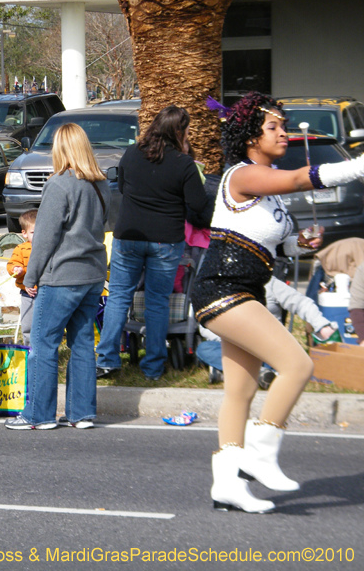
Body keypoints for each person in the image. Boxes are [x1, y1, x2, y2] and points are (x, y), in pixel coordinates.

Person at [193, 91, 364, 513]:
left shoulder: (266, 193)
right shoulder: (243, 175)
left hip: (245, 289)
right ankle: (262, 453)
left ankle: (227, 483)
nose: (283, 133)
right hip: (223, 289)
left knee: (242, 389)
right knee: (299, 364)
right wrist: (359, 166)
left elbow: (274, 244)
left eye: (283, 127)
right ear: (252, 135)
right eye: (274, 127)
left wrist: (299, 244)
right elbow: (297, 179)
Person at [96, 106, 212, 380]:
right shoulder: (183, 164)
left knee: (119, 298)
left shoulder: (132, 153)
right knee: (158, 302)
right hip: (165, 240)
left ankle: (107, 359)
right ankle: (154, 365)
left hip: (129, 236)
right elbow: (199, 205)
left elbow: (122, 187)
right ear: (179, 132)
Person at [5, 123, 109, 430]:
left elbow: (45, 238)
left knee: (44, 343)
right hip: (91, 273)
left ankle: (38, 414)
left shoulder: (59, 184)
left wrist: (30, 276)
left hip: (61, 274)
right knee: (81, 343)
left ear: (59, 149)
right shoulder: (99, 184)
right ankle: (81, 413)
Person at [197, 276, 340, 386]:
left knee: (283, 355)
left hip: (268, 344)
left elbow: (301, 302)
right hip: (233, 344)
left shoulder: (269, 282)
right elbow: (205, 323)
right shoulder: (215, 284)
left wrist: (321, 325)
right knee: (204, 348)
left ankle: (236, 373)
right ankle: (262, 374)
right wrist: (234, 340)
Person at [7, 209, 37, 346]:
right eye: (33, 232)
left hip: (45, 292)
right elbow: (12, 263)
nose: (38, 236)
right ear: (24, 233)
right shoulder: (21, 248)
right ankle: (29, 349)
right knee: (28, 325)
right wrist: (16, 269)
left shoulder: (49, 247)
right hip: (27, 294)